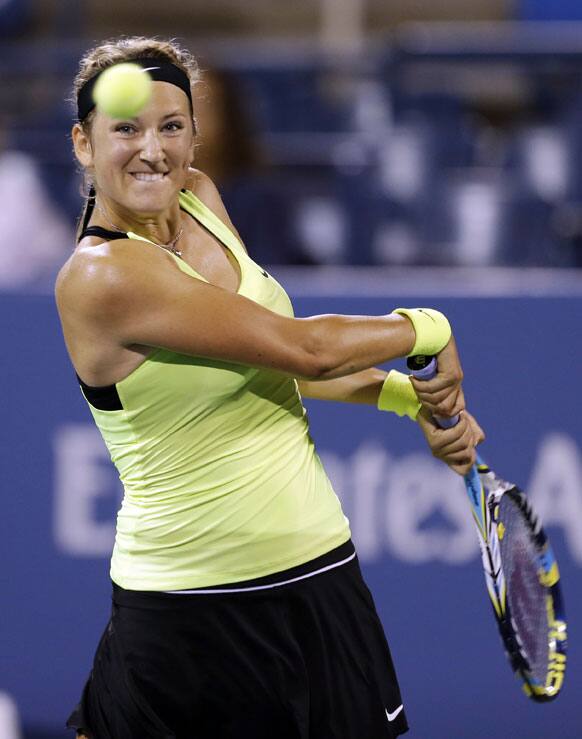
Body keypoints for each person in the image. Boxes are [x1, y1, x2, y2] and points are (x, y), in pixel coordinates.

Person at [55, 37, 484, 739]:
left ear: (195, 133)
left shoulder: (200, 200)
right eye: (125, 128)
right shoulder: (103, 277)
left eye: (171, 126)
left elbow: (270, 367)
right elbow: (304, 348)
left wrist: (409, 400)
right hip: (189, 611)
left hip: (319, 574)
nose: (152, 149)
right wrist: (426, 328)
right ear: (83, 142)